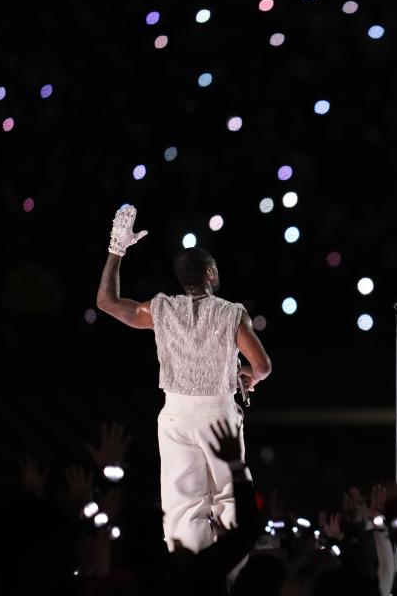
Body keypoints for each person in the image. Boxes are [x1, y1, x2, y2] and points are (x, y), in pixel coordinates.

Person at [96, 205, 272, 552]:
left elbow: (106, 301)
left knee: (183, 509)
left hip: (175, 415)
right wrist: (250, 377)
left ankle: (194, 576)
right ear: (209, 272)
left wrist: (117, 249)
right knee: (231, 498)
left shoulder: (159, 310)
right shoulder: (230, 313)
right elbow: (263, 365)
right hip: (217, 413)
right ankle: (232, 574)